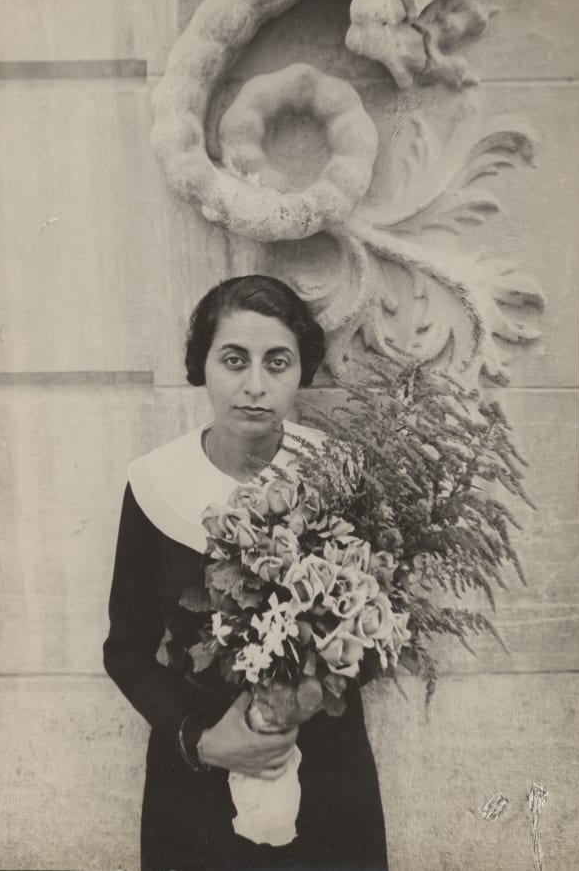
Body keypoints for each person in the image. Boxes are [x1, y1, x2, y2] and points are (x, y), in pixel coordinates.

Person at [103, 275, 389, 871]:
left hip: (325, 770)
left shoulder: (337, 474)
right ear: (201, 366)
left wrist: (298, 699)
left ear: (300, 372)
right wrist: (201, 742)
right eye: (234, 360)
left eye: (277, 362)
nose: (254, 386)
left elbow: (380, 631)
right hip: (197, 778)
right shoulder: (155, 484)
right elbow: (127, 648)